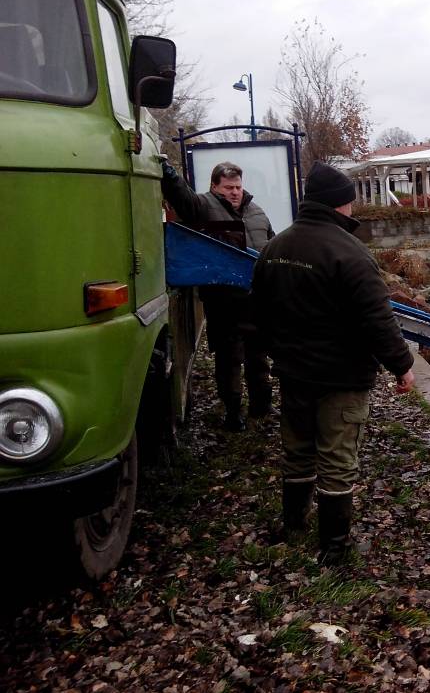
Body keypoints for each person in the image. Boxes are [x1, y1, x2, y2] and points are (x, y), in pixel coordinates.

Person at [251, 161, 415, 565]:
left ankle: (293, 525)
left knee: (298, 450)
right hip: (342, 377)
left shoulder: (275, 248)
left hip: (293, 374)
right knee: (337, 459)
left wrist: (280, 354)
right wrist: (402, 365)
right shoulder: (350, 252)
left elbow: (258, 313)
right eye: (351, 203)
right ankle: (335, 548)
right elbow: (377, 319)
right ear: (341, 204)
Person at [161, 160, 274, 431]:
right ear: (214, 186)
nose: (234, 192)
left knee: (258, 355)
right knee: (229, 358)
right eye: (228, 187)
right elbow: (182, 199)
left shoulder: (256, 211)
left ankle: (262, 404)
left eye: (237, 186)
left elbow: (271, 244)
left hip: (255, 298)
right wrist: (170, 175)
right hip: (223, 300)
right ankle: (233, 411)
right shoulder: (202, 207)